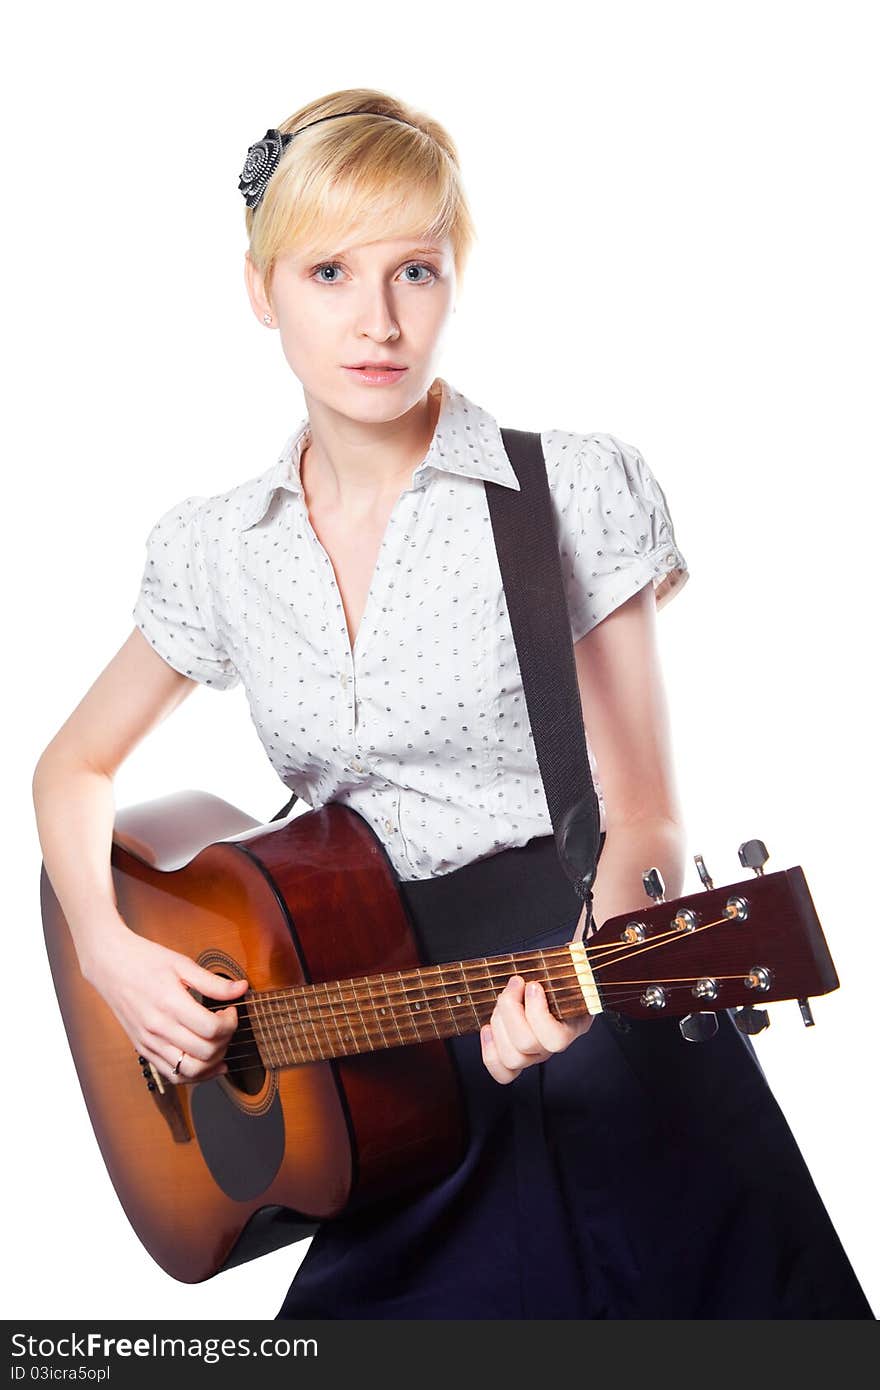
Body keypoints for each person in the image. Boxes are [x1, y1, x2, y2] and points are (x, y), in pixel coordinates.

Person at [32, 88, 873, 1320]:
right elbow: (70, 771)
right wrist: (115, 959)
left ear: (454, 280)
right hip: (366, 1090)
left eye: (414, 271)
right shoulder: (219, 549)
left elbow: (643, 818)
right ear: (259, 290)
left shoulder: (563, 489)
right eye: (328, 271)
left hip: (590, 1020)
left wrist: (581, 988)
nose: (377, 320)